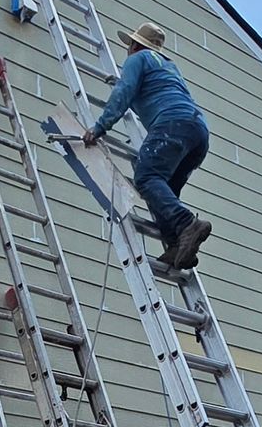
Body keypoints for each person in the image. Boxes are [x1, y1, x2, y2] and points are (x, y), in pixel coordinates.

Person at [81, 23, 213, 272]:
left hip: (173, 123)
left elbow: (124, 92)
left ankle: (187, 224)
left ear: (135, 45)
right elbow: (152, 93)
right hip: (198, 131)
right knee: (163, 192)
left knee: (146, 177)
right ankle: (176, 244)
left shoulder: (138, 58)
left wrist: (99, 127)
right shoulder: (168, 66)